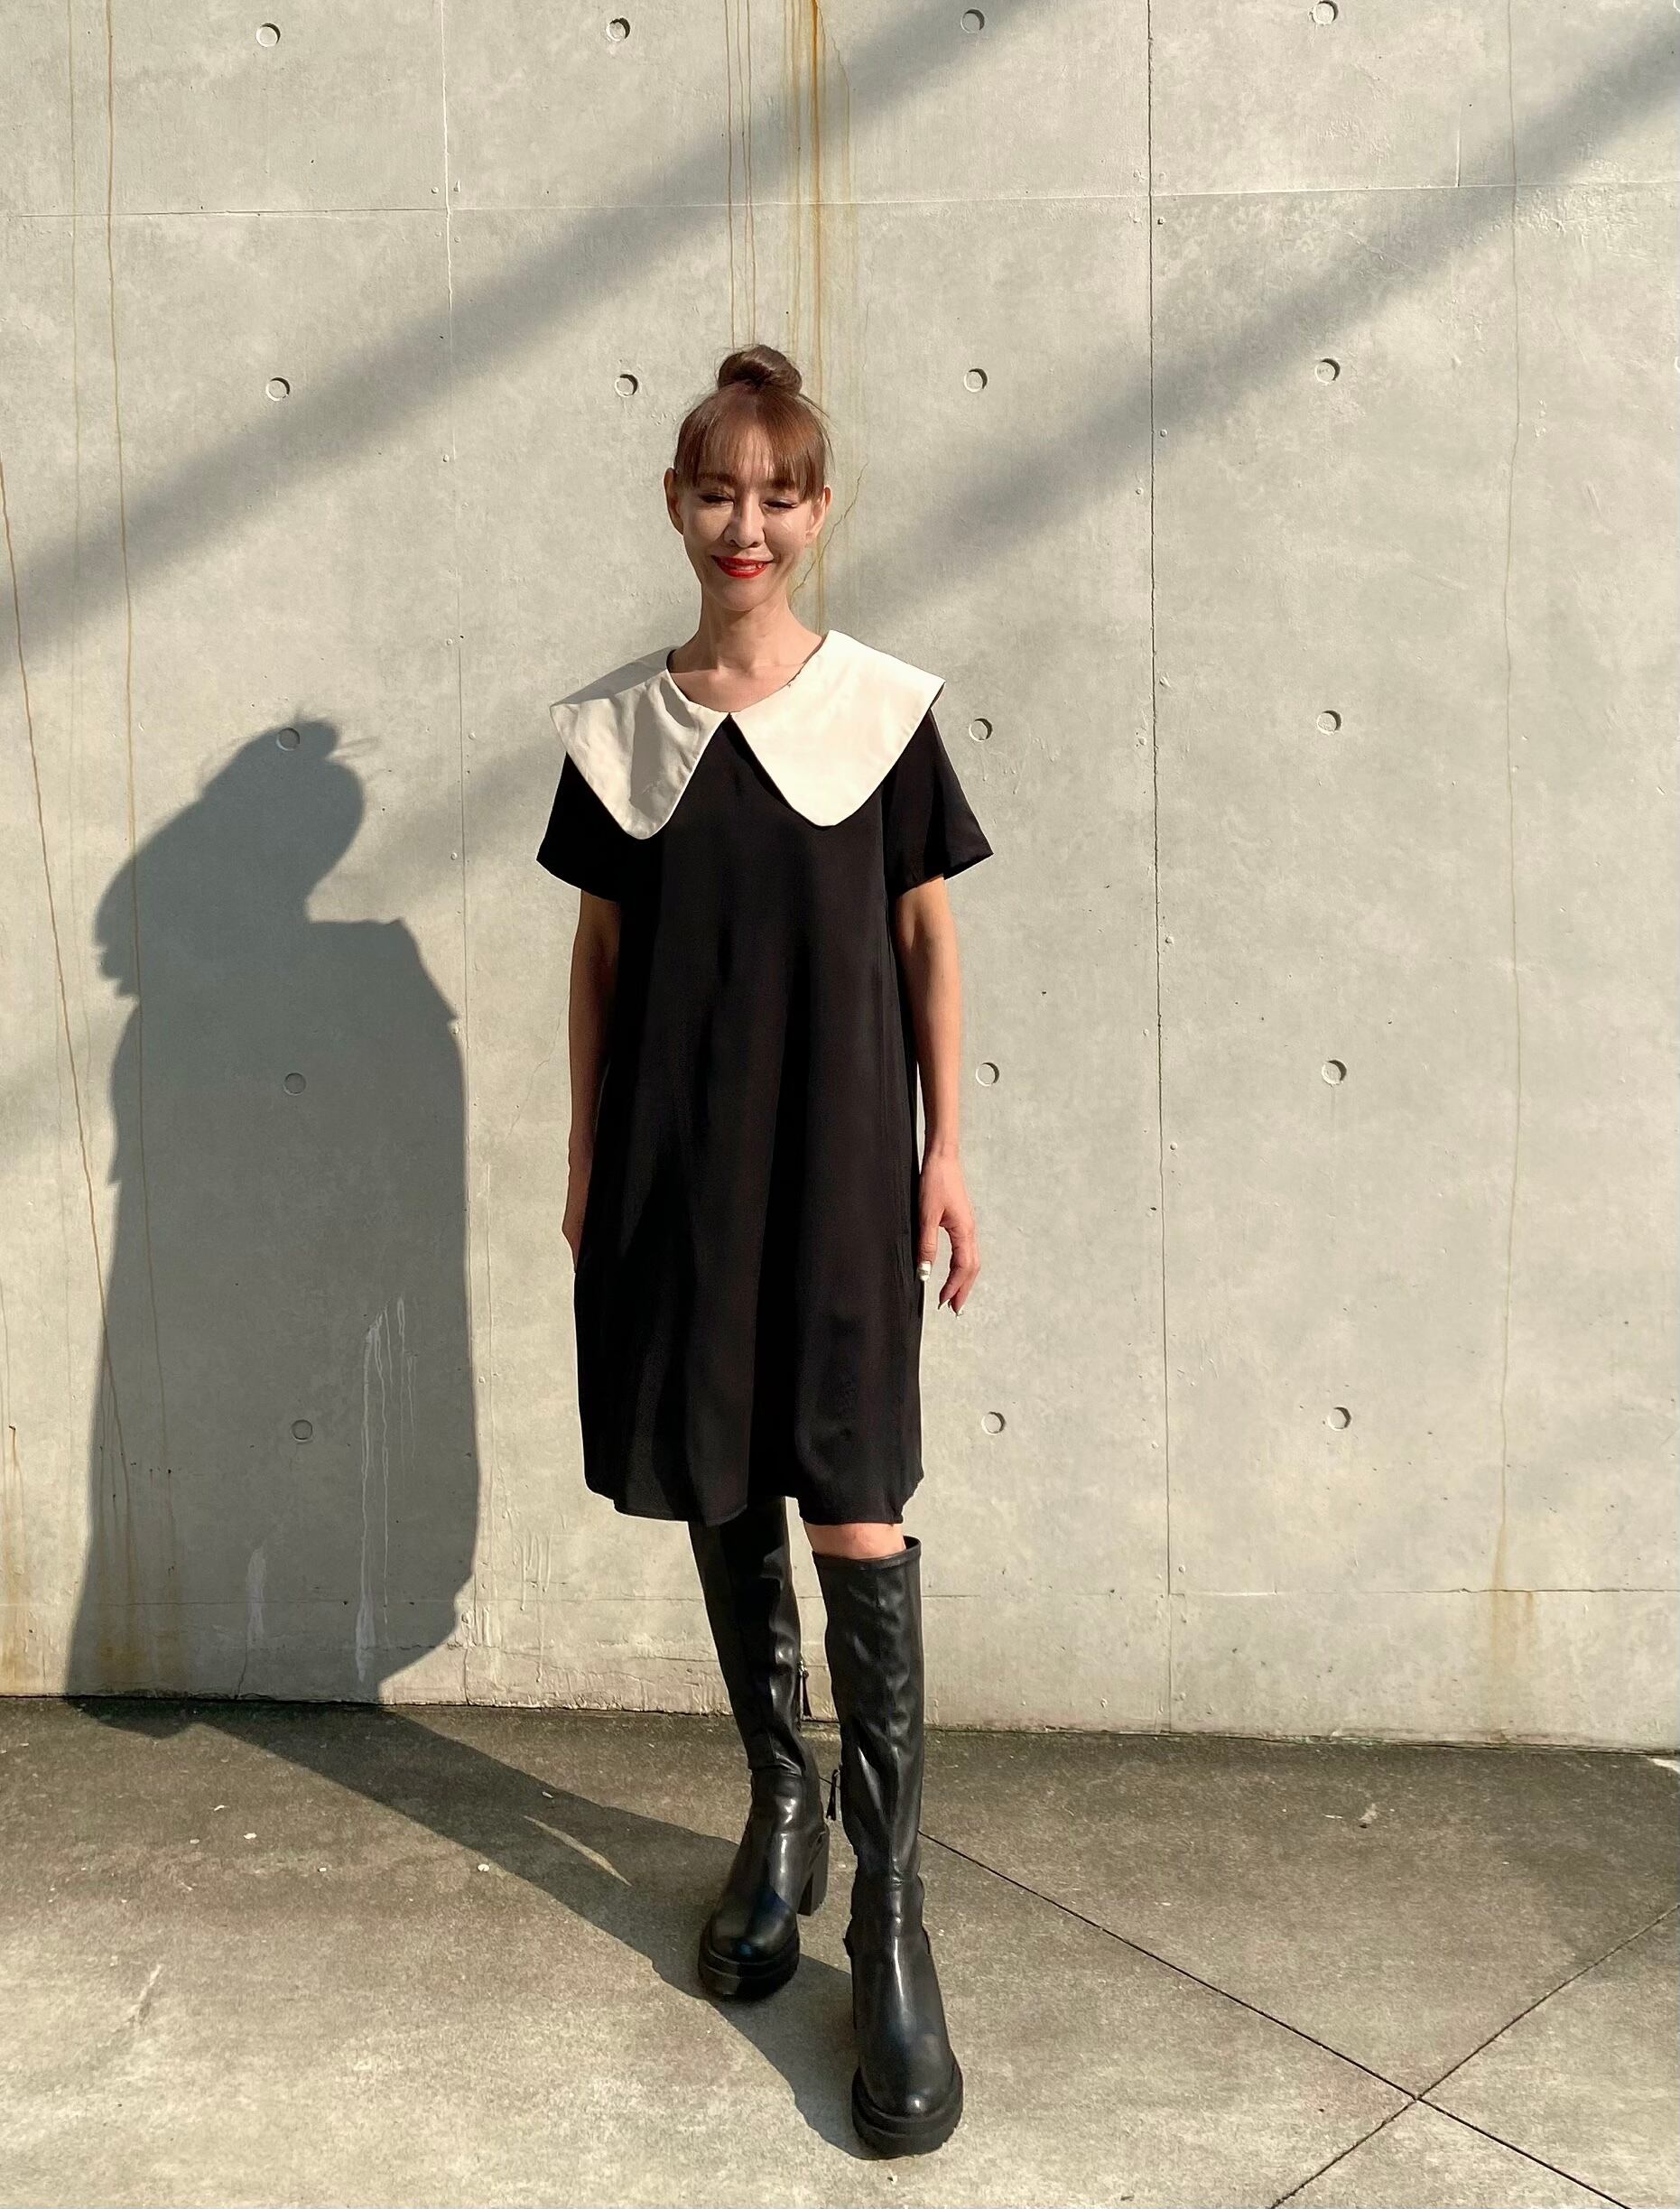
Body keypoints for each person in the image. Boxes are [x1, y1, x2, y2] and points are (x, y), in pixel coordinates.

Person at [535, 343, 993, 2158]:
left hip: (841, 1171)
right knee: (720, 1483)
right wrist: (586, 1154)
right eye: (718, 490)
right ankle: (776, 1810)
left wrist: (947, 1153)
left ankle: (892, 1919)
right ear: (677, 503)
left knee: (855, 1503)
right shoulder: (617, 733)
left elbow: (926, 936)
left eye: (778, 493)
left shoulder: (879, 712)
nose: (748, 522)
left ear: (816, 510)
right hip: (675, 1166)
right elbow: (599, 958)